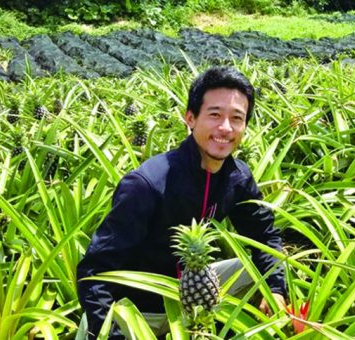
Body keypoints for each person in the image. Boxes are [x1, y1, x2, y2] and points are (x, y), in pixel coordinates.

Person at [76, 67, 286, 339]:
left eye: (237, 118)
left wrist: (277, 291)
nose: (225, 127)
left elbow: (264, 236)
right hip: (137, 310)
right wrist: (109, 332)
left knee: (261, 269)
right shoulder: (146, 184)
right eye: (215, 115)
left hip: (194, 292)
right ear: (190, 118)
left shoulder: (237, 177)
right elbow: (95, 272)